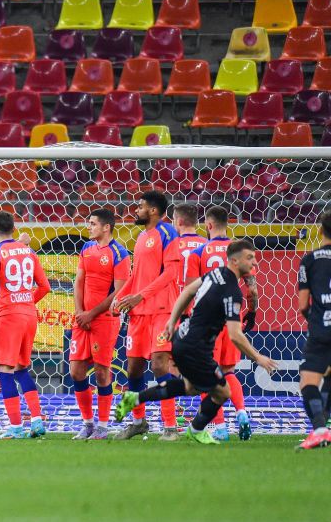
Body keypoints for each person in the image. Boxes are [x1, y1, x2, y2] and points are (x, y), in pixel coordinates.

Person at [115, 240, 276, 445]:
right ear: (234, 261)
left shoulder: (214, 275)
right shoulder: (232, 291)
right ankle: (196, 429)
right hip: (196, 347)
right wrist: (258, 357)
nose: (254, 262)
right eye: (249, 258)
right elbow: (235, 335)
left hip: (184, 338)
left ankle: (134, 398)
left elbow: (187, 291)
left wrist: (172, 321)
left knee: (191, 387)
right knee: (222, 391)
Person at [111, 190, 180, 441]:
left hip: (163, 310)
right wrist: (121, 298)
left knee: (160, 364)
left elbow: (171, 273)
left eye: (140, 206)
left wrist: (140, 296)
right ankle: (138, 422)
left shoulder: (168, 233)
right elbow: (135, 275)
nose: (136, 210)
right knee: (134, 369)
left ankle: (170, 427)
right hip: (139, 314)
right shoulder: (140, 238)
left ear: (153, 210)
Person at [0, 212, 50, 440]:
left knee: (5, 370)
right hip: (29, 314)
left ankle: (16, 427)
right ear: (14, 228)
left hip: (9, 317)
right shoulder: (28, 251)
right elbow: (45, 286)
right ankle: (37, 421)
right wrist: (25, 302)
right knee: (21, 368)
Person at [195, 205, 257, 442]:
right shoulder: (239, 252)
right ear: (227, 224)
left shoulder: (201, 251)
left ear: (208, 225)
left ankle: (219, 426)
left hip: (208, 319)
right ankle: (241, 413)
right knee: (228, 371)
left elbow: (194, 288)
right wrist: (251, 311)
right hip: (232, 317)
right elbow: (252, 288)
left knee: (205, 374)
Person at [68, 209, 131, 440]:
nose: (89, 227)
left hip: (104, 320)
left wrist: (91, 314)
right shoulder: (86, 248)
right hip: (82, 319)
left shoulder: (120, 253)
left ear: (106, 227)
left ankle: (103, 425)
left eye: (93, 223)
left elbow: (119, 292)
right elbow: (78, 282)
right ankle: (87, 424)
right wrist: (79, 312)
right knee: (76, 371)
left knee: (103, 372)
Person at [295, 212, 331, 450]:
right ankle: (324, 428)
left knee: (308, 382)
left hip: (322, 328)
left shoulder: (310, 260)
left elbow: (302, 304)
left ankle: (319, 429)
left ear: (320, 231)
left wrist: (314, 319)